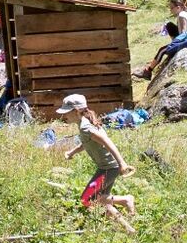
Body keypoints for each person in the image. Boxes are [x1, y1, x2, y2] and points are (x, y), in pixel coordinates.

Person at [54, 94, 134, 232]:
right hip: (106, 167)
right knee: (101, 201)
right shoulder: (84, 124)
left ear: (76, 111)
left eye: (66, 112)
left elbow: (107, 142)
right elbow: (86, 143)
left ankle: (125, 200)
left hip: (109, 168)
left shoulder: (86, 127)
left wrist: (122, 163)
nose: (64, 115)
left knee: (86, 199)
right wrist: (72, 152)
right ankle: (128, 229)